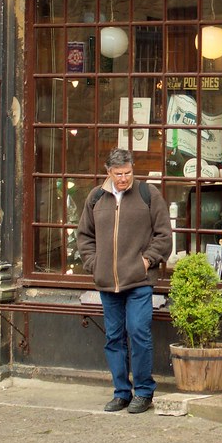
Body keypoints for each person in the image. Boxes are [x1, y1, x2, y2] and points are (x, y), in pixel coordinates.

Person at [77, 148, 172, 414]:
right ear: (108, 172)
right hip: (107, 282)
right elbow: (84, 236)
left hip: (139, 281)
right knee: (114, 338)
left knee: (139, 333)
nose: (123, 179)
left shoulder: (148, 194)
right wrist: (94, 264)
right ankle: (121, 392)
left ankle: (143, 392)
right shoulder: (96, 198)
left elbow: (164, 235)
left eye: (128, 173)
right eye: (118, 174)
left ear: (133, 169)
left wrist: (147, 260)